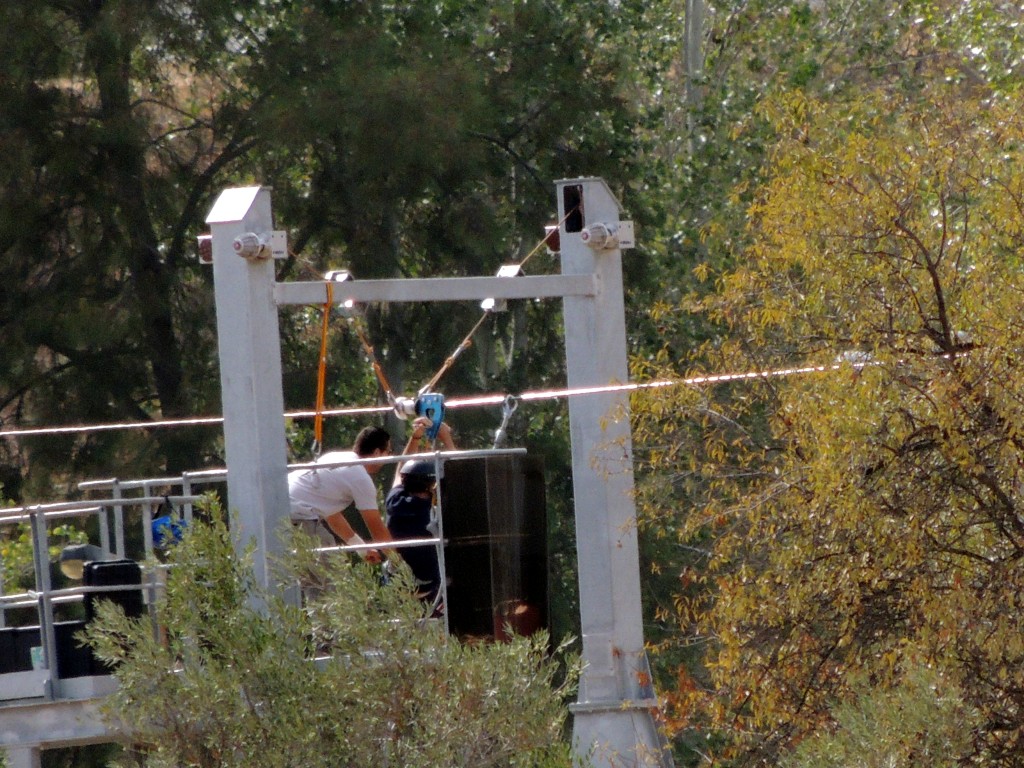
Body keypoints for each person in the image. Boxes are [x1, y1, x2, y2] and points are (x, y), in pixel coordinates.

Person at [288, 425, 395, 563]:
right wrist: (399, 563)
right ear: (376, 453)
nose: (388, 457)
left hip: (279, 501)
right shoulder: (360, 479)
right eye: (388, 452)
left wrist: (362, 548)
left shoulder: (336, 457)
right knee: (328, 569)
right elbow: (377, 529)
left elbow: (333, 517)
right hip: (299, 514)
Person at [385, 418, 456, 612]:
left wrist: (416, 437)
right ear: (432, 485)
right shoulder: (433, 513)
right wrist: (446, 438)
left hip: (397, 585)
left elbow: (401, 469)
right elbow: (461, 475)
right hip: (430, 588)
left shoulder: (395, 502)